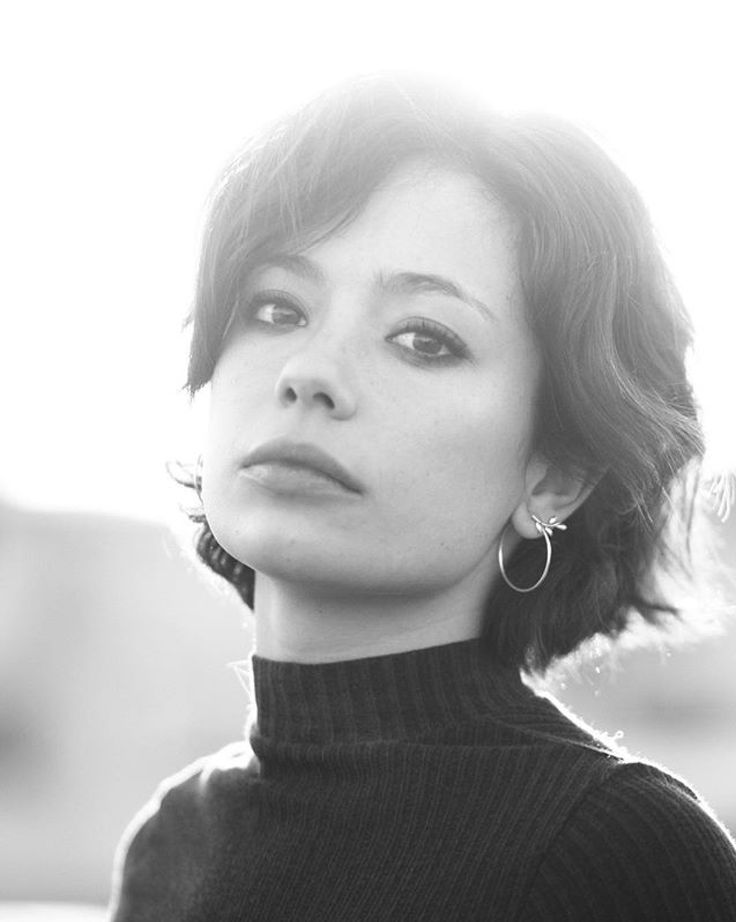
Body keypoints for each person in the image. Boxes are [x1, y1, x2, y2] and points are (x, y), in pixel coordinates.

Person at [108, 73, 736, 920]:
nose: (310, 374)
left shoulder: (617, 851)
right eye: (277, 307)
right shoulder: (170, 847)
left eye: (423, 339)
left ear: (553, 476)